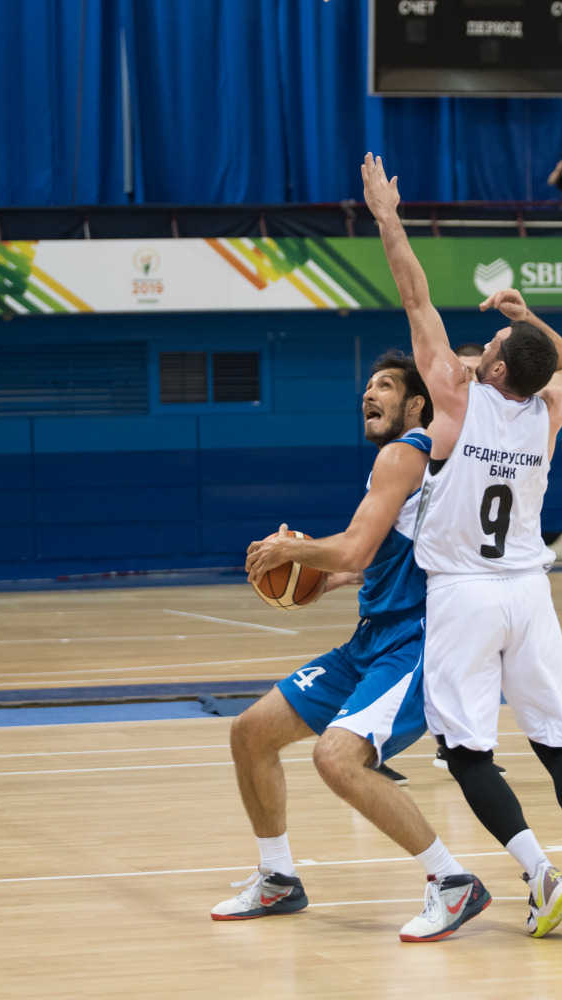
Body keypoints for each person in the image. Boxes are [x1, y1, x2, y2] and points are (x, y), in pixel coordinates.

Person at [362, 151, 562, 940]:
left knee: (466, 751)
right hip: (529, 595)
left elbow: (413, 293)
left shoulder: (453, 396)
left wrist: (388, 214)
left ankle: (541, 874)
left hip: (464, 594)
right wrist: (529, 321)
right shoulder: (546, 416)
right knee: (557, 742)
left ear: (489, 364)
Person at [223, 352, 490, 943]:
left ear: (416, 403)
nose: (369, 395)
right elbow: (379, 555)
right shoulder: (408, 460)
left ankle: (452, 882)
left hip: (412, 642)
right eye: (367, 387)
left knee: (337, 759)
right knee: (251, 732)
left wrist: (295, 553)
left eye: (386, 386)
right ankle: (278, 879)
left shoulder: (405, 452)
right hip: (371, 637)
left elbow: (353, 548)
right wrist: (334, 576)